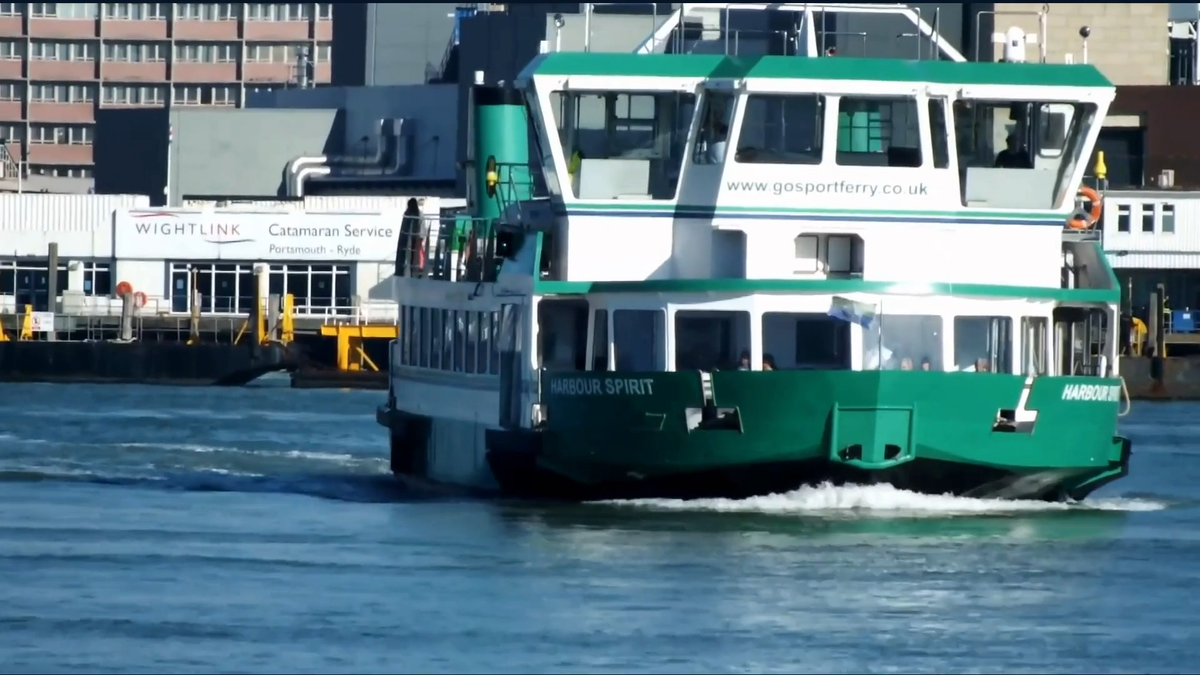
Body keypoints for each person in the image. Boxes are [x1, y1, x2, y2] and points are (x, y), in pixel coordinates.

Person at [397, 198, 423, 277]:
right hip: (407, 240)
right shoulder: (407, 214)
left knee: (414, 259)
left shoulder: (419, 214)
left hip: (415, 240)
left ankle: (413, 272)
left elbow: (422, 230)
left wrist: (420, 239)